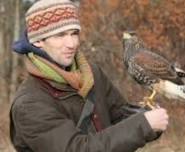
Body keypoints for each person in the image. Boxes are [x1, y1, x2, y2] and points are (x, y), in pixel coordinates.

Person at [10, 0, 169, 152]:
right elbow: (78, 149)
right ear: (38, 41)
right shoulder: (29, 104)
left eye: (74, 33)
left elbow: (120, 116)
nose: (72, 43)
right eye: (60, 35)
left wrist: (146, 115)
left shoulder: (92, 74)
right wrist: (143, 125)